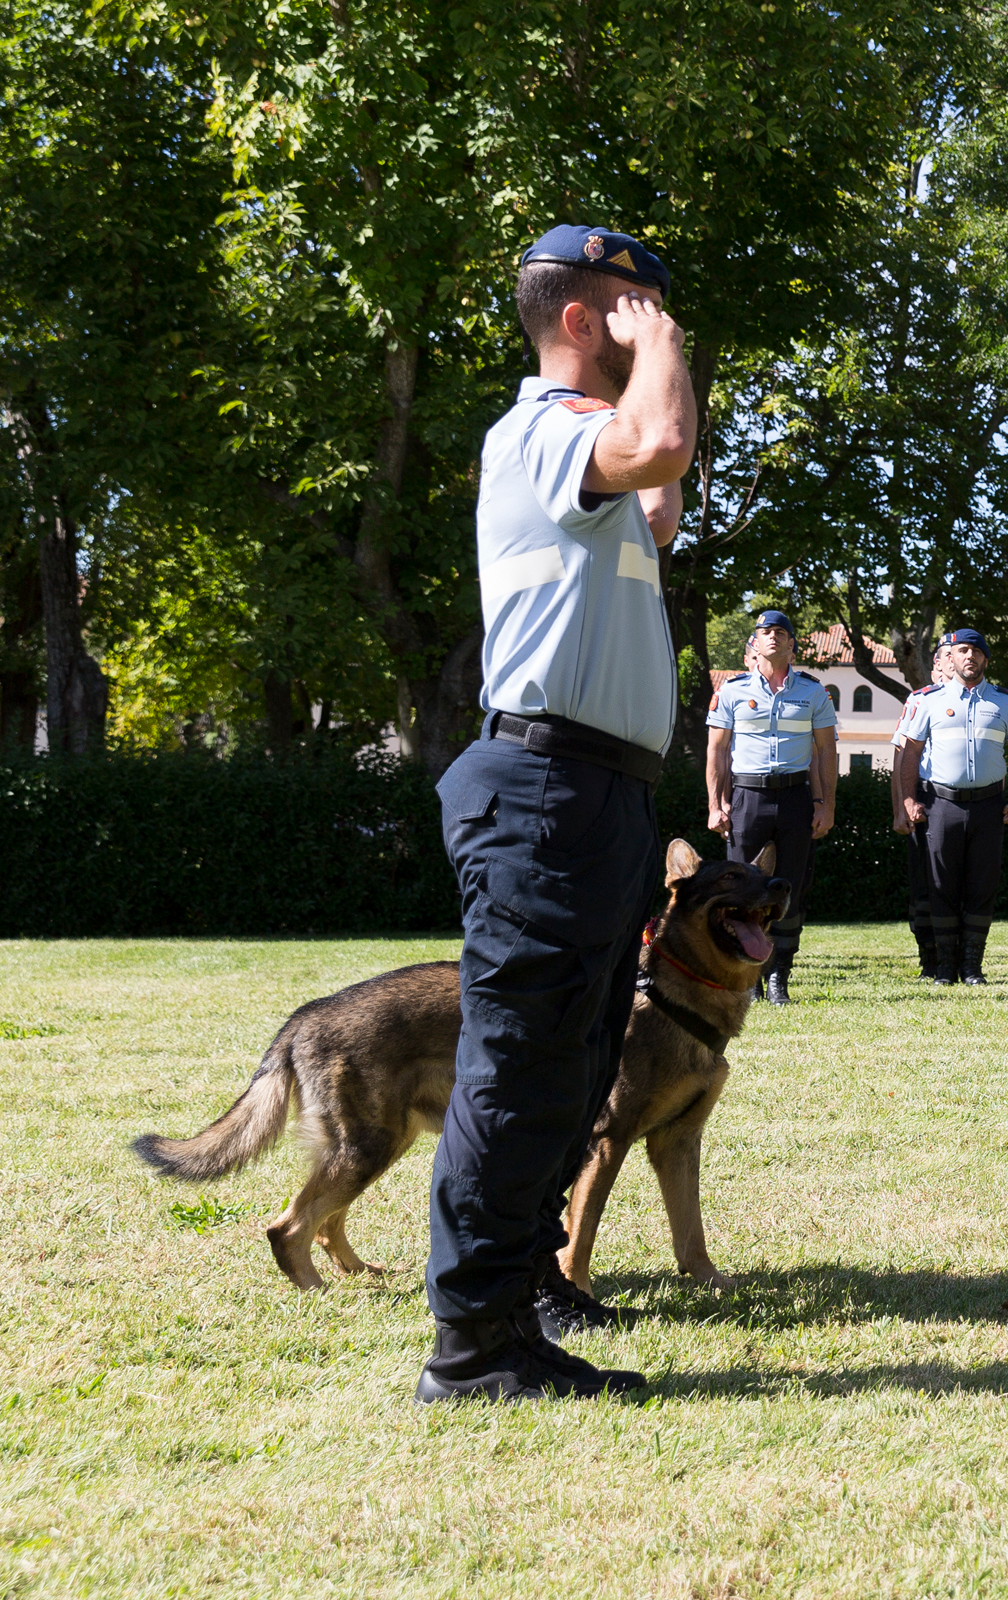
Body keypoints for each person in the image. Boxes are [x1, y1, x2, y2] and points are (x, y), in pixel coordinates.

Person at [419, 225, 695, 1403]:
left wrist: (652, 377)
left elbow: (663, 506)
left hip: (598, 794)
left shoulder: (591, 448)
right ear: (582, 319)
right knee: (522, 1065)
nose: (659, 321)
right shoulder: (540, 428)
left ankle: (526, 1283)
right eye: (638, 304)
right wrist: (664, 358)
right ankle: (473, 1345)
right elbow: (662, 439)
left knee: (576, 1061)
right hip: (545, 787)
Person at [706, 609, 836, 1004]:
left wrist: (826, 804)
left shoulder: (814, 692)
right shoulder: (730, 691)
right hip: (748, 797)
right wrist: (715, 804)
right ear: (755, 644)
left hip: (795, 797)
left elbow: (827, 751)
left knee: (790, 886)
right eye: (765, 632)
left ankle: (779, 975)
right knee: (742, 887)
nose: (773, 637)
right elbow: (717, 750)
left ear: (792, 644)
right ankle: (749, 977)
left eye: (780, 632)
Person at [893, 628, 1008, 984]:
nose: (969, 657)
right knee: (941, 885)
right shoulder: (929, 700)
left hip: (988, 806)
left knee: (981, 885)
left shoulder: (1004, 702)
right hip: (942, 805)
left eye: (976, 651)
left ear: (986, 659)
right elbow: (910, 753)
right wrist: (908, 799)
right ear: (949, 659)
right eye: (962, 651)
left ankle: (972, 966)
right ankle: (943, 968)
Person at [892, 647, 956, 978]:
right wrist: (900, 806)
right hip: (924, 802)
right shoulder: (919, 700)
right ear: (936, 667)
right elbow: (901, 758)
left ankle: (956, 956)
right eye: (946, 656)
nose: (953, 661)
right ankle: (928, 956)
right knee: (924, 885)